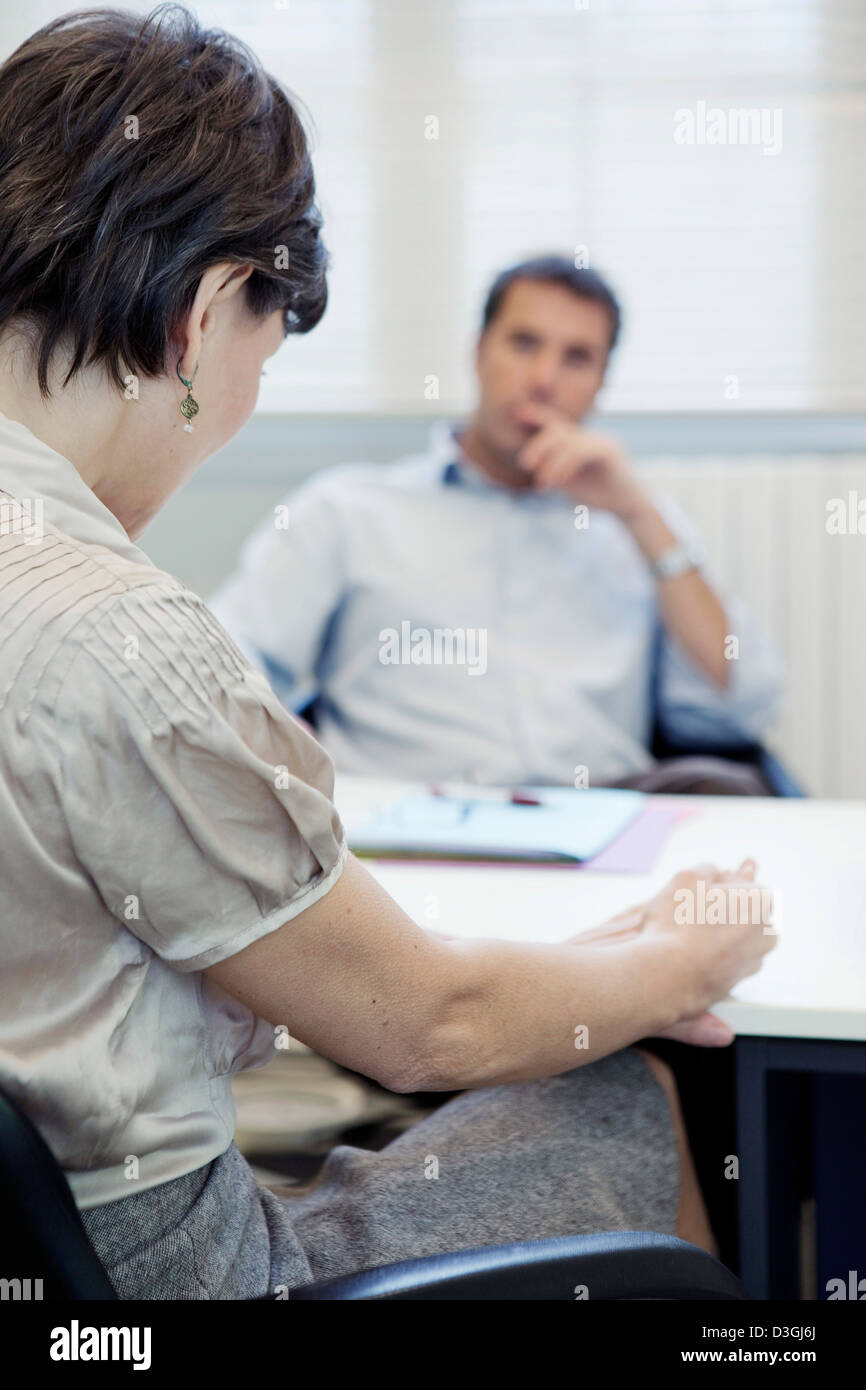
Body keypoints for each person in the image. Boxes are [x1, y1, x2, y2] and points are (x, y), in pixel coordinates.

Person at [0, 4, 776, 1300]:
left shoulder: (620, 522)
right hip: (186, 1273)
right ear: (201, 322)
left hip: (54, 1243)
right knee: (627, 1096)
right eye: (261, 352)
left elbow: (741, 690)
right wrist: (680, 959)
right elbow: (428, 1020)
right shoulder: (142, 624)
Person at [210, 257, 785, 797]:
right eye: (524, 344)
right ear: (480, 352)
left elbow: (745, 708)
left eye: (577, 358)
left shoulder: (633, 530)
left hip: (598, 822)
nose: (543, 379)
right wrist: (297, 764)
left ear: (603, 382)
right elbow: (228, 663)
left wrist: (641, 516)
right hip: (407, 825)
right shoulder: (349, 510)